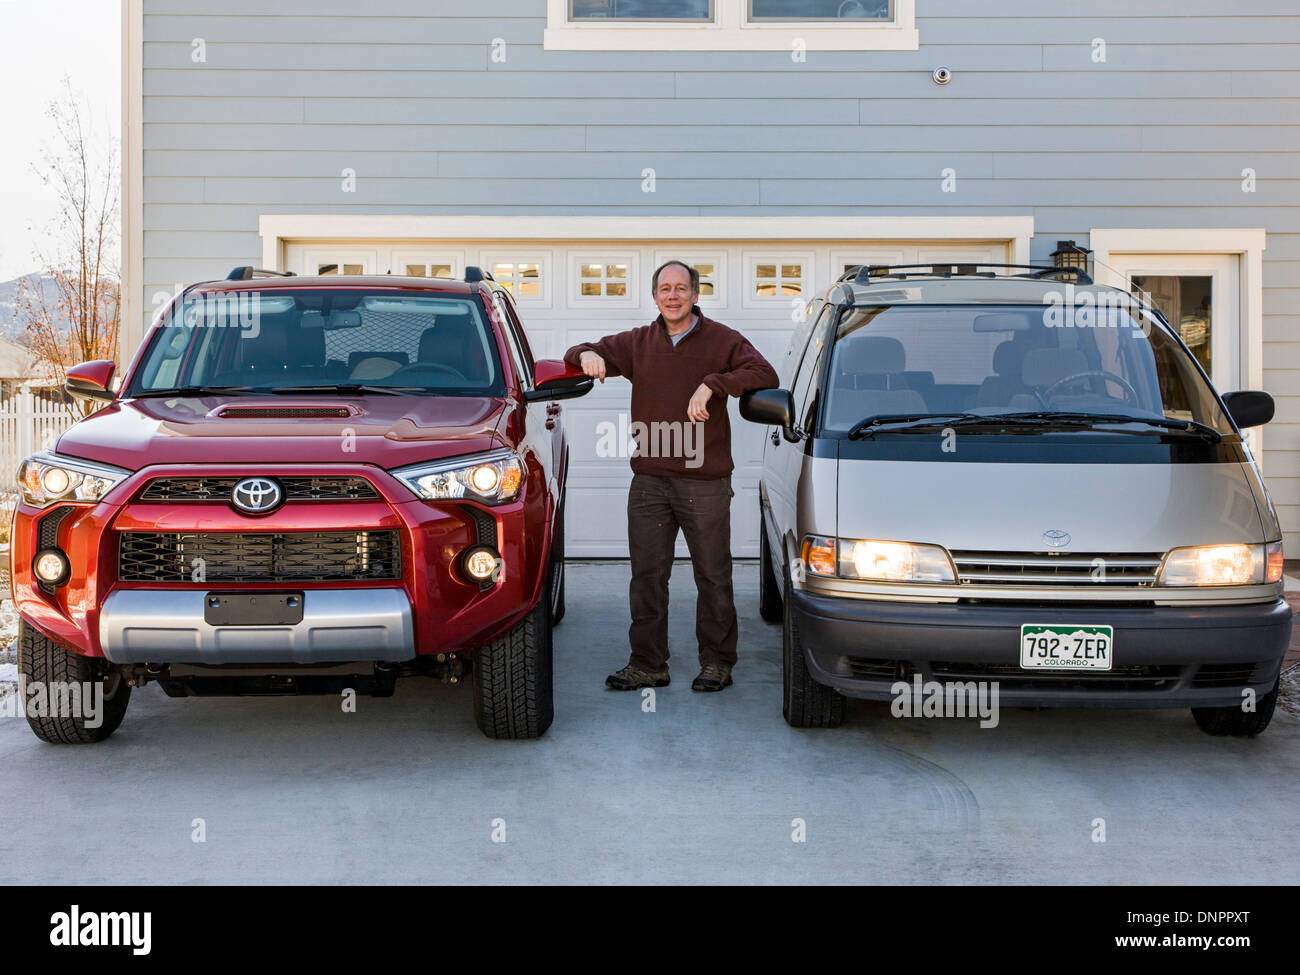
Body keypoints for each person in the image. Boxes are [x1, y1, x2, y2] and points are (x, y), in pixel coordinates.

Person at [564, 260, 779, 693]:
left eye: (682, 288)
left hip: (705, 483)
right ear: (656, 296)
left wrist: (714, 384)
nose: (673, 295)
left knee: (713, 576)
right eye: (665, 288)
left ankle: (717, 662)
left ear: (696, 295)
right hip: (649, 481)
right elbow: (581, 352)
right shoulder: (638, 343)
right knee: (646, 576)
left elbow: (765, 374)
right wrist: (587, 354)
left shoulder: (723, 340)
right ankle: (648, 664)